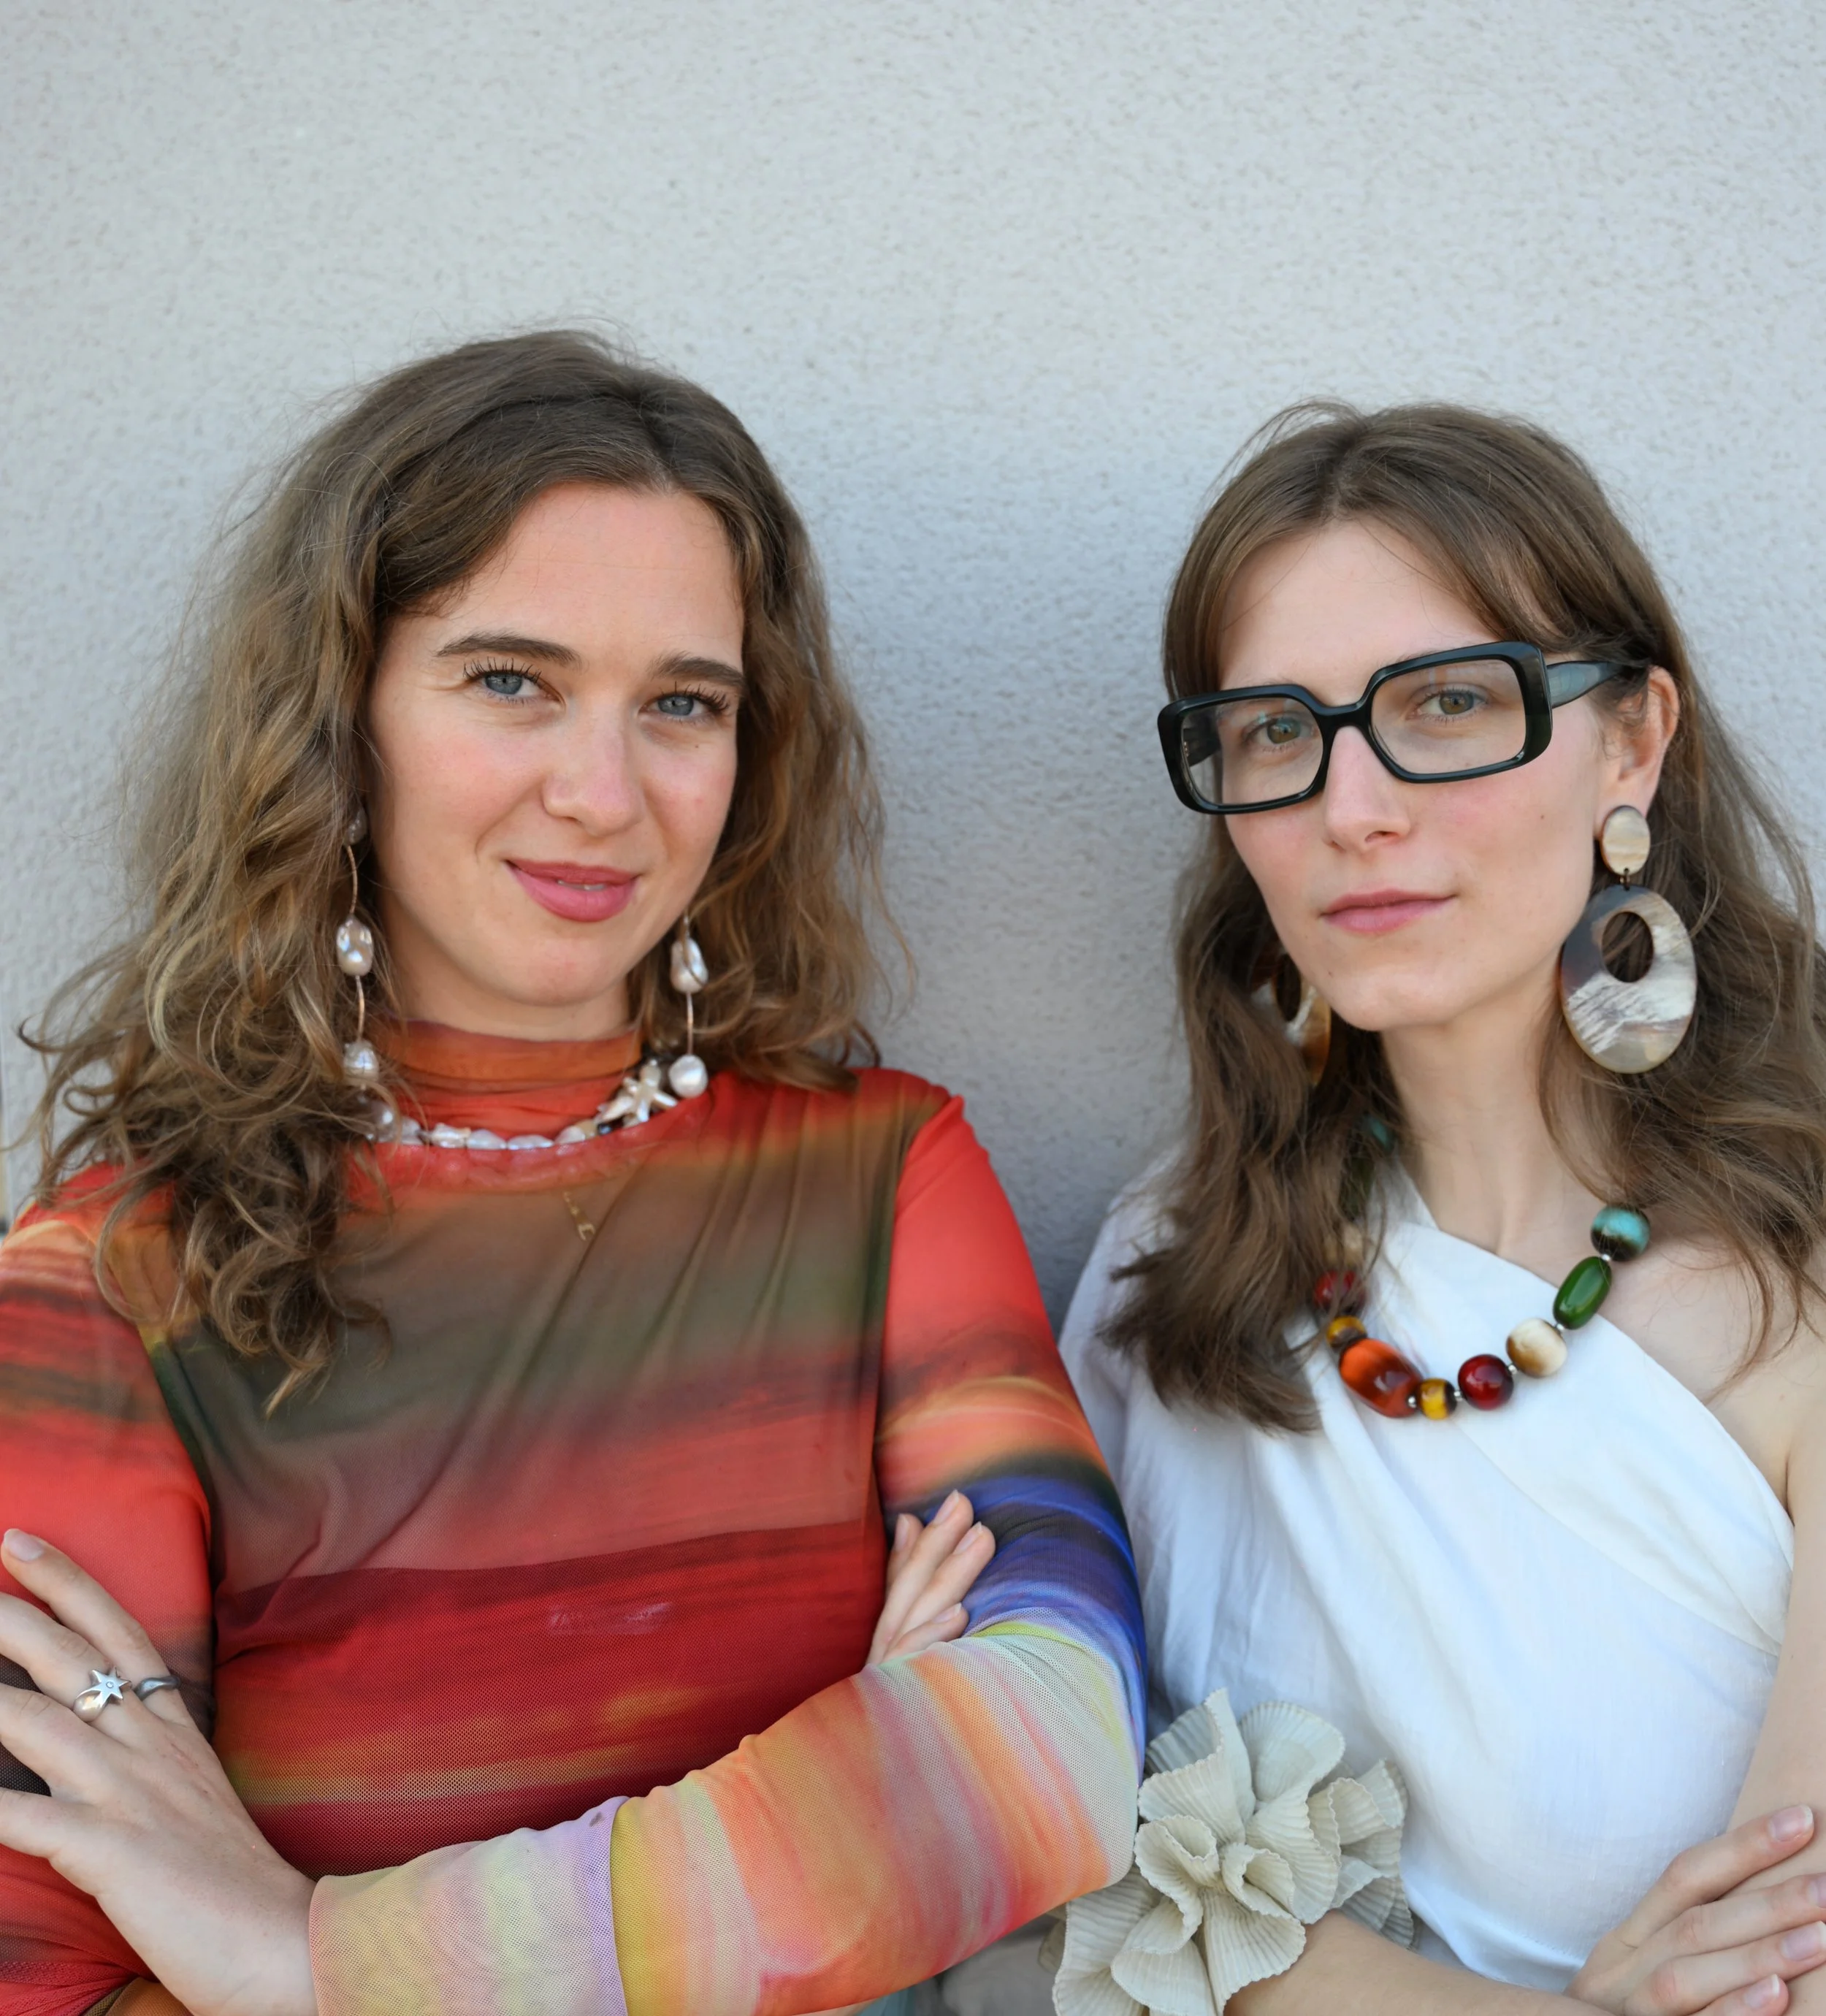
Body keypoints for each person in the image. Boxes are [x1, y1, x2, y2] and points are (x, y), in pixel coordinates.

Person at [0, 331, 1145, 2016]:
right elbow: (55, 1986)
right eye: (509, 680)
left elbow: (1056, 1748)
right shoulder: (111, 1278)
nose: (602, 794)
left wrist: (312, 1960)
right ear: (344, 720)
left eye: (681, 703)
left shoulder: (882, 1176)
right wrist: (845, 1812)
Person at [1058, 403, 1826, 2016]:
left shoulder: (1798, 1287)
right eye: (1273, 731)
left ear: (1630, 742)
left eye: (1447, 705)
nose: (1349, 808)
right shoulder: (1168, 1271)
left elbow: (1786, 1968)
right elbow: (1061, 1846)